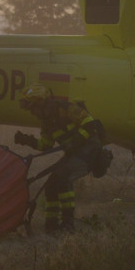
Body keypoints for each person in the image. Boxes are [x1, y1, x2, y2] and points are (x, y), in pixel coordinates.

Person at [14, 83, 104, 233]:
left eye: (33, 108)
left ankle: (68, 224)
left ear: (41, 103)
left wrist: (75, 142)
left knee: (64, 178)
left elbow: (91, 126)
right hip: (74, 153)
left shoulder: (66, 109)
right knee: (51, 185)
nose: (32, 113)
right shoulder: (46, 122)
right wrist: (26, 140)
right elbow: (45, 145)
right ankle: (51, 225)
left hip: (90, 150)